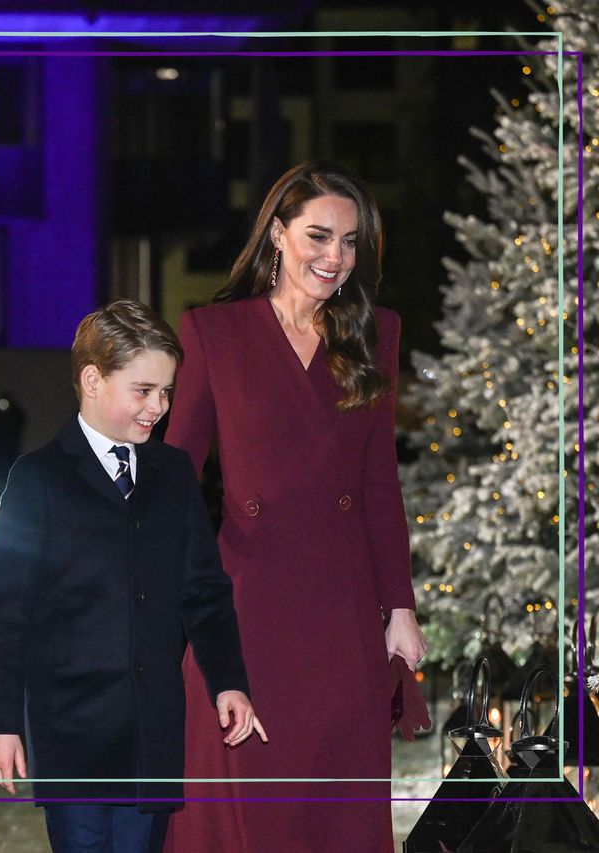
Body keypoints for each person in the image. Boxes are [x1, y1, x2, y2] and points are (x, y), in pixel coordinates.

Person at [162, 161, 427, 853]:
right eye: (317, 235)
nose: (334, 257)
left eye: (348, 241)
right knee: (246, 795)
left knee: (335, 797)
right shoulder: (212, 333)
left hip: (342, 608)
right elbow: (176, 474)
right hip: (245, 604)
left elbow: (377, 485)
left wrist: (399, 607)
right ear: (278, 234)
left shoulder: (377, 334)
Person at [0, 299, 266, 853]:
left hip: (152, 731)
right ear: (92, 380)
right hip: (72, 732)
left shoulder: (174, 473)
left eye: (166, 392)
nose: (159, 406)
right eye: (143, 390)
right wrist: (0, 723)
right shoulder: (37, 479)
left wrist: (228, 680)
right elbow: (6, 615)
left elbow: (203, 592)